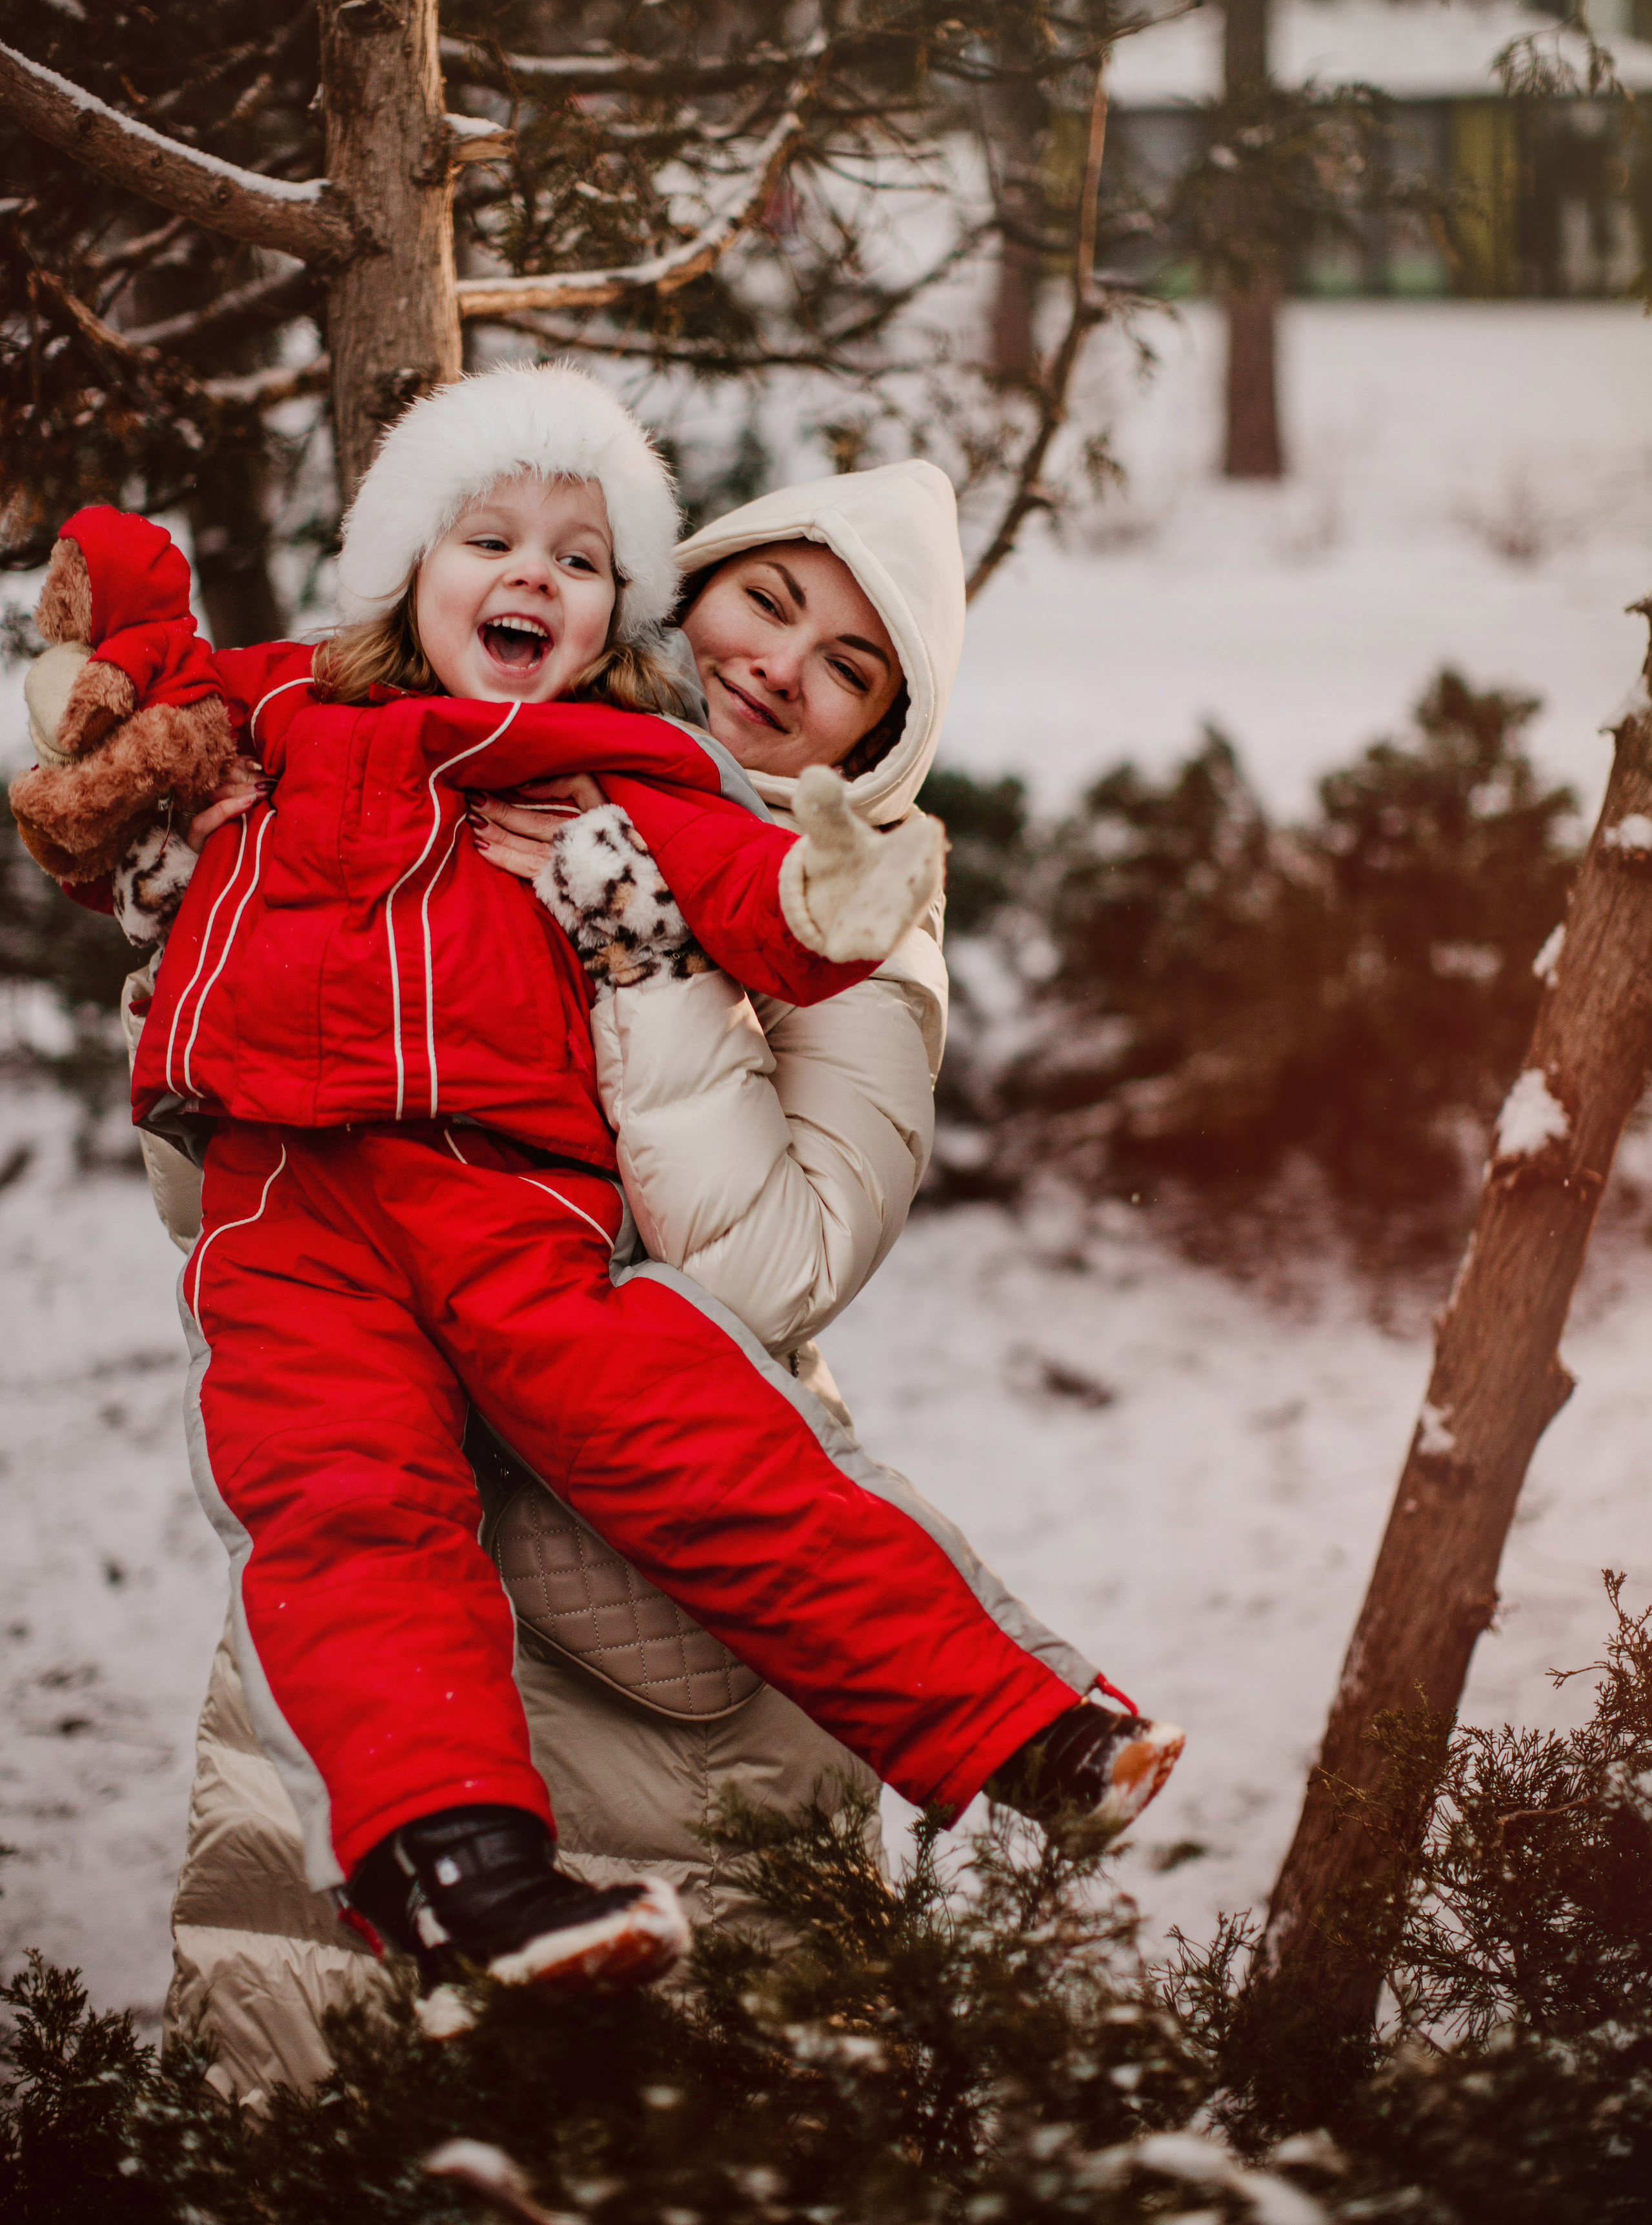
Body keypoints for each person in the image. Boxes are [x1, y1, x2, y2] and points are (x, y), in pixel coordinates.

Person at [15, 366, 1182, 2046]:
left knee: (709, 1446)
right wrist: (170, 877)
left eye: (849, 667)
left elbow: (774, 938)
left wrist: (754, 911)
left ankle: (1023, 1727)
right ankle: (459, 1866)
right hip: (289, 1216)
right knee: (340, 1508)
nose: (780, 664)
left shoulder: (630, 775)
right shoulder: (282, 717)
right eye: (768, 603)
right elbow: (148, 694)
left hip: (511, 1224)